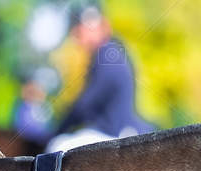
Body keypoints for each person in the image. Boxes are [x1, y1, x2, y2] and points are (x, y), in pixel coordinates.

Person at [47, 4, 153, 153]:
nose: (76, 35)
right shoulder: (111, 51)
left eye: (80, 29)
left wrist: (58, 130)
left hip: (113, 132)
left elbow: (85, 105)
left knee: (57, 146)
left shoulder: (108, 55)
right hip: (112, 129)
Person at [12, 67, 58, 149]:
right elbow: (22, 127)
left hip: (44, 142)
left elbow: (49, 127)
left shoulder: (45, 107)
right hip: (28, 144)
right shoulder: (24, 107)